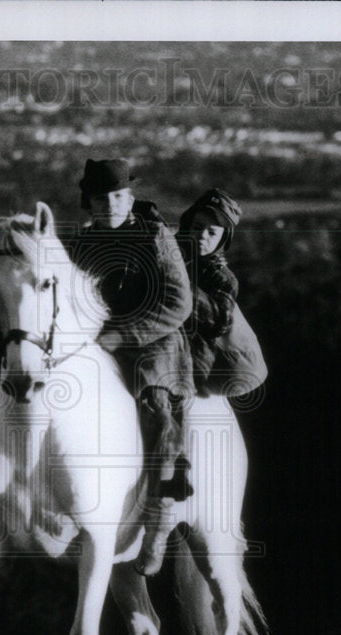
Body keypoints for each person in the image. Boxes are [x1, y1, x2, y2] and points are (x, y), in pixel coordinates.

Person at [71, 158, 194, 577]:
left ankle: (159, 523)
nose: (111, 205)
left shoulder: (154, 236)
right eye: (102, 198)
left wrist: (121, 336)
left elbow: (179, 303)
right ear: (89, 202)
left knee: (157, 410)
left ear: (131, 197)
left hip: (153, 344)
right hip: (97, 341)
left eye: (119, 196)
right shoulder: (82, 242)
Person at [178, 188, 266, 398]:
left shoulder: (223, 278)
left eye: (212, 233)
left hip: (228, 365)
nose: (202, 236)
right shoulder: (179, 252)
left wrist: (179, 284)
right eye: (198, 227)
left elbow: (217, 326)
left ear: (222, 239)